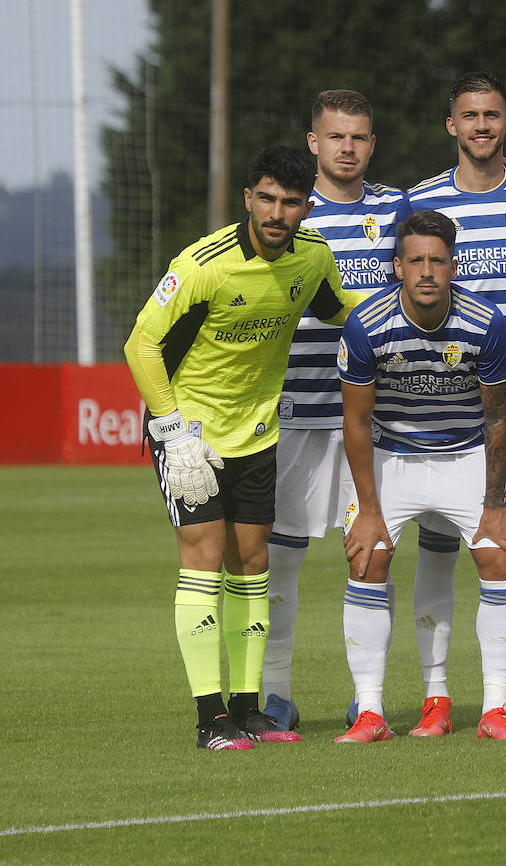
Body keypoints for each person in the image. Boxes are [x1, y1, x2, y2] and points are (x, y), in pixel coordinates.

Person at [124, 144, 354, 750]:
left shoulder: (314, 260)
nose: (279, 213)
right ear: (249, 197)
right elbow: (140, 345)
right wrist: (171, 430)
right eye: (268, 199)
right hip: (189, 435)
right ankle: (210, 719)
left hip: (257, 431)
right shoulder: (203, 264)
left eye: (292, 202)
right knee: (202, 557)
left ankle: (249, 709)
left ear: (307, 207)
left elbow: (342, 312)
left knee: (253, 564)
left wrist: (414, 301)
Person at [263, 89, 459, 737]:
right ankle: (277, 692)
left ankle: (365, 700)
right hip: (293, 409)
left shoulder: (397, 211)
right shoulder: (289, 215)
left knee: (370, 551)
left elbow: (454, 222)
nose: (348, 147)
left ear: (373, 144)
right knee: (282, 557)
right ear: (314, 142)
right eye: (336, 137)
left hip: (372, 418)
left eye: (360, 137)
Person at [404, 71, 506, 735]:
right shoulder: (421, 201)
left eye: (492, 115)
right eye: (470, 116)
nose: (481, 126)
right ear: (451, 126)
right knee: (438, 548)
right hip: (446, 402)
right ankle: (436, 696)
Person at [334, 209, 506, 743]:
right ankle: (371, 712)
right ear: (397, 266)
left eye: (437, 261)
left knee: (499, 553)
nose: (426, 271)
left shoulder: (485, 324)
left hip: (464, 455)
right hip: (392, 458)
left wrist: (494, 504)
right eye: (415, 260)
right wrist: (369, 511)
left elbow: (496, 418)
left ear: (453, 266)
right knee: (367, 556)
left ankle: (493, 710)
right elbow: (356, 420)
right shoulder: (366, 324)